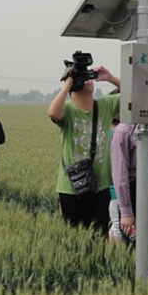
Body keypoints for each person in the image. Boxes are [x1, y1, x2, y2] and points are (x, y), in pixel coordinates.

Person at [48, 65, 120, 234]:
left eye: (88, 77)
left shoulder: (106, 105)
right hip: (71, 187)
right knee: (74, 240)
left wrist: (110, 78)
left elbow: (137, 92)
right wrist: (67, 83)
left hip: (100, 186)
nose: (86, 80)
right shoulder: (68, 108)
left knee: (99, 238)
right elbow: (53, 113)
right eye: (82, 78)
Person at [110, 122, 148, 256]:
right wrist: (126, 211)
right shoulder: (123, 131)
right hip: (134, 191)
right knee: (135, 251)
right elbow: (120, 173)